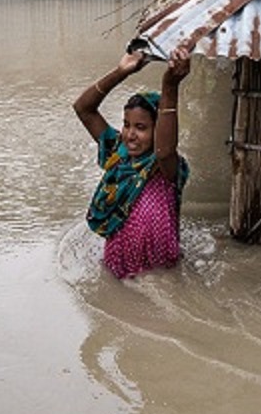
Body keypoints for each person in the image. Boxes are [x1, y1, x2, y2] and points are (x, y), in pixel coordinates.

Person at [73, 45, 192, 278]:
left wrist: (170, 86)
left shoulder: (165, 167)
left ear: (159, 129)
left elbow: (165, 150)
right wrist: (121, 71)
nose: (130, 134)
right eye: (127, 124)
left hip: (162, 275)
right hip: (117, 270)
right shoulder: (117, 153)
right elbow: (83, 109)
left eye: (141, 127)